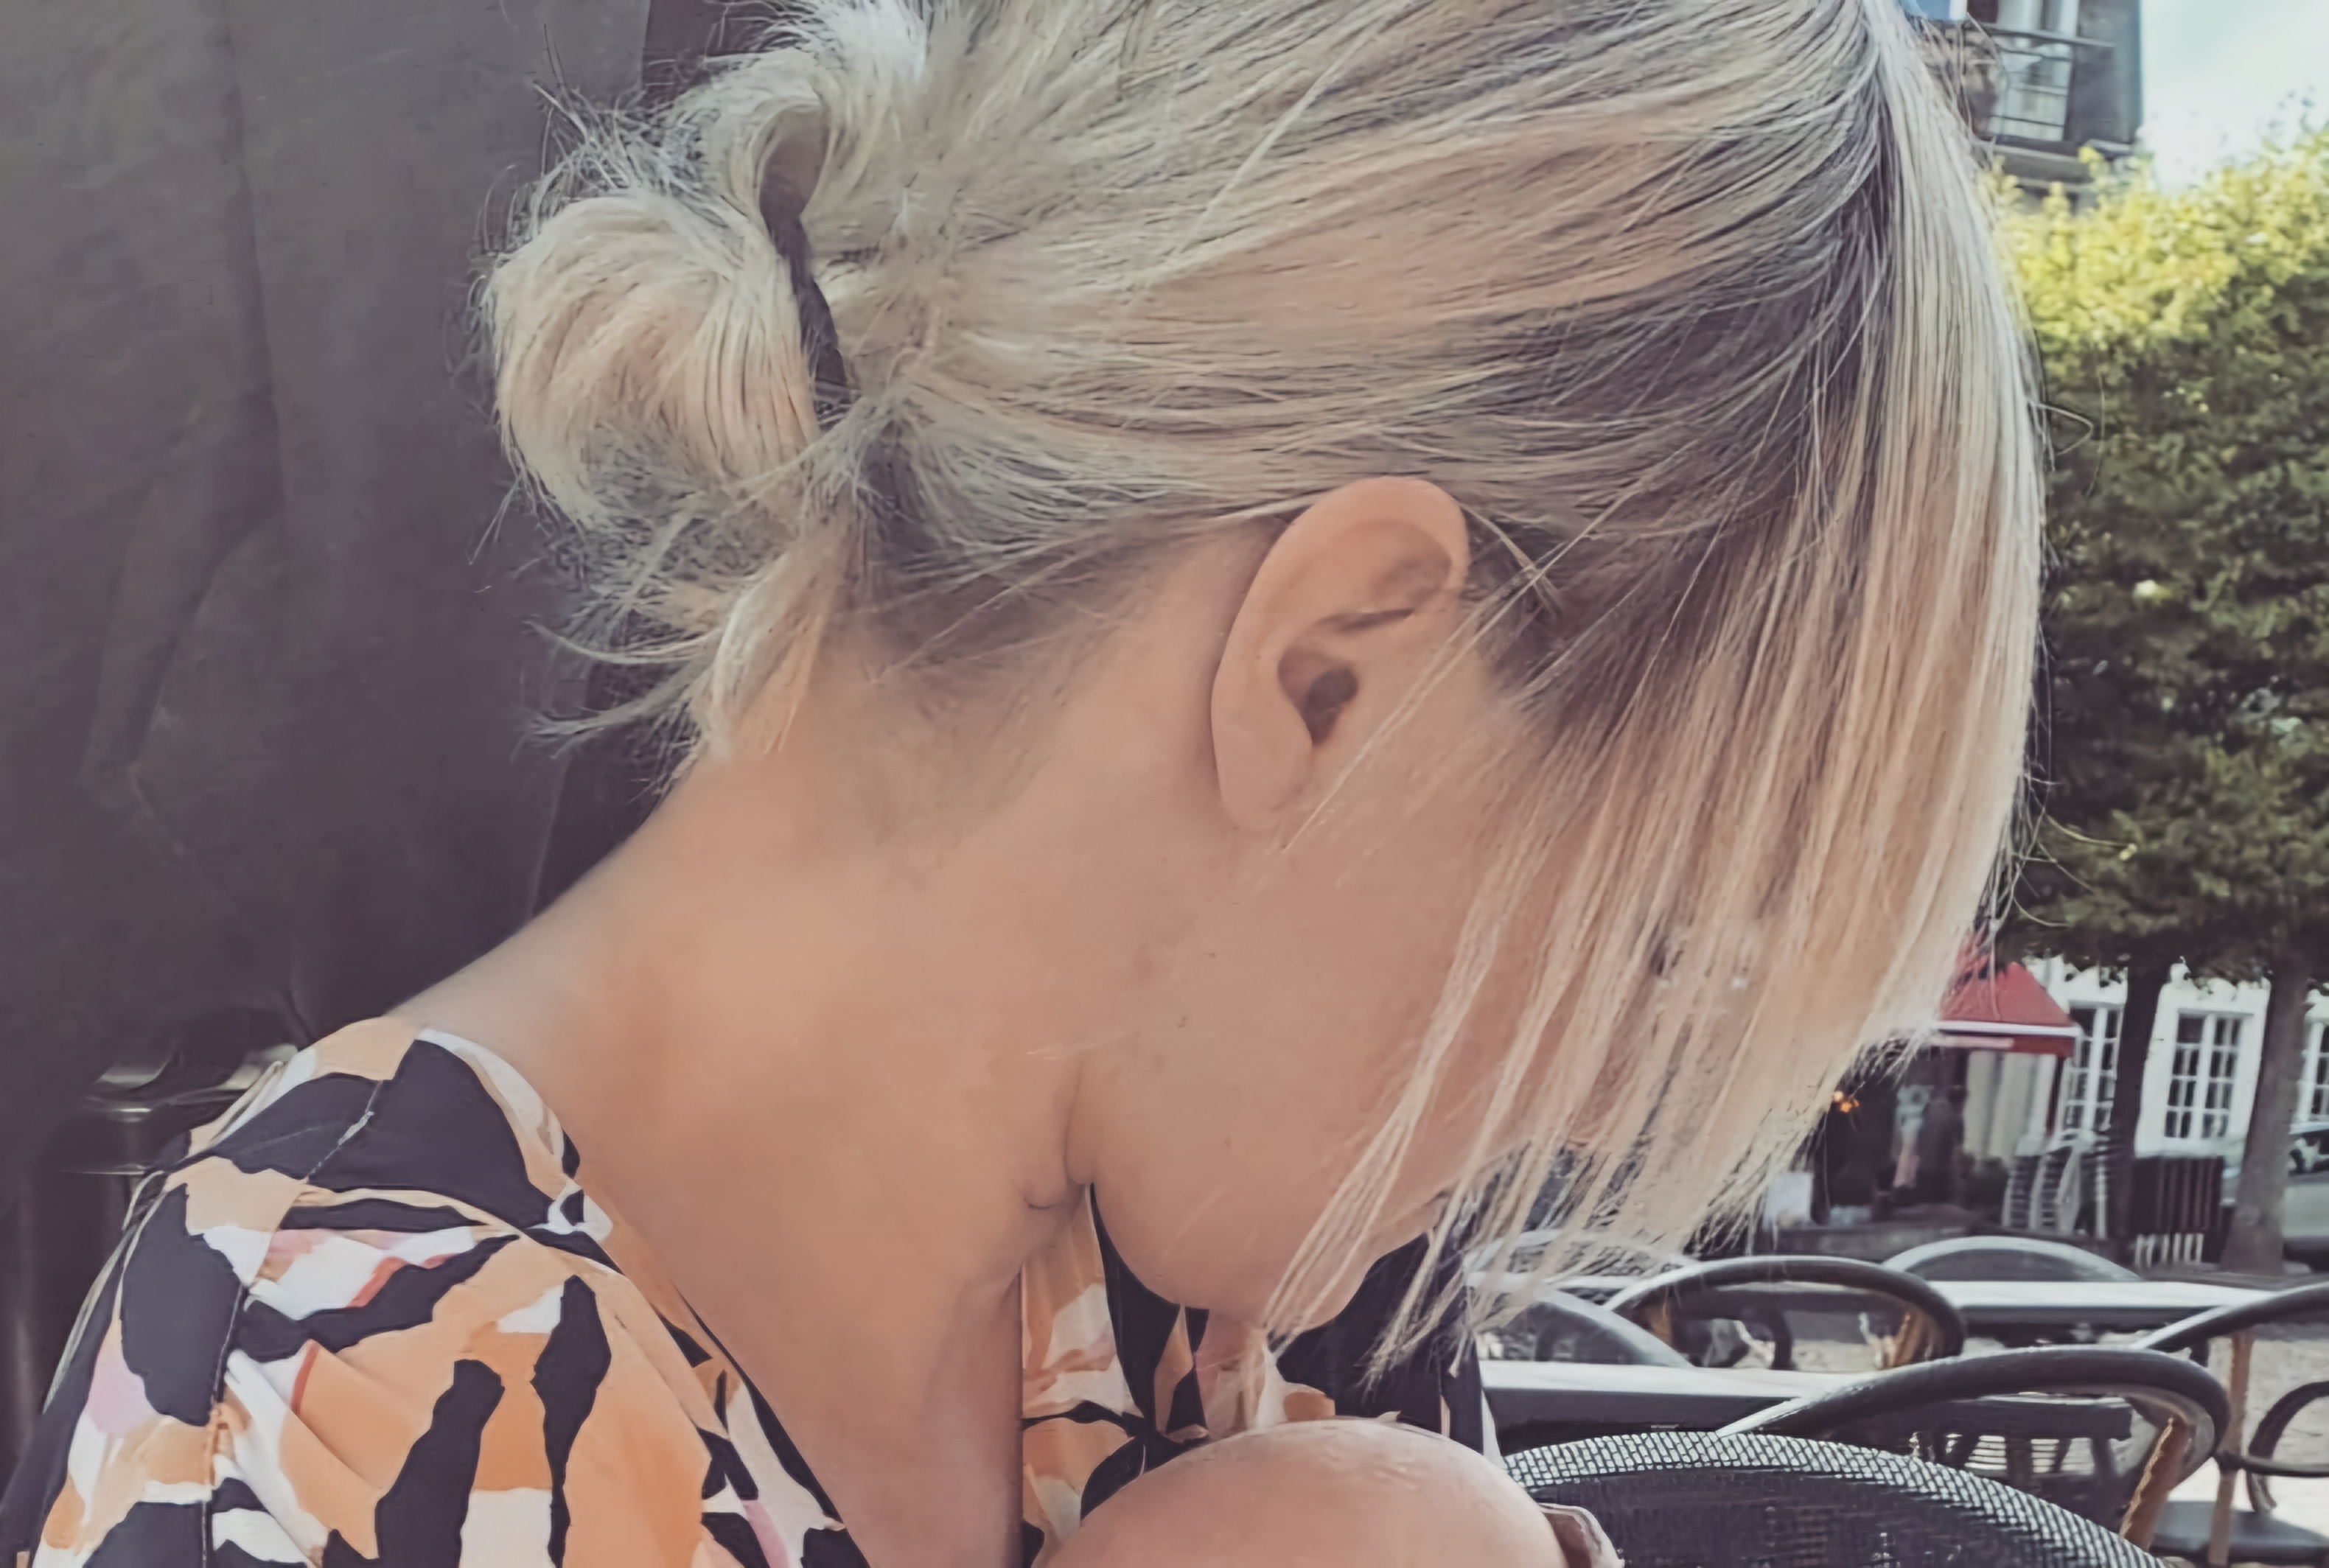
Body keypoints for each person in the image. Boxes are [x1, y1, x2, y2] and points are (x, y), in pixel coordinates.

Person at [0, 0, 2042, 1563]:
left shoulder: (1257, 1280)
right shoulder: (359, 1404)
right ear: (1330, 672)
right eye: (1665, 949)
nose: (1599, 1113)